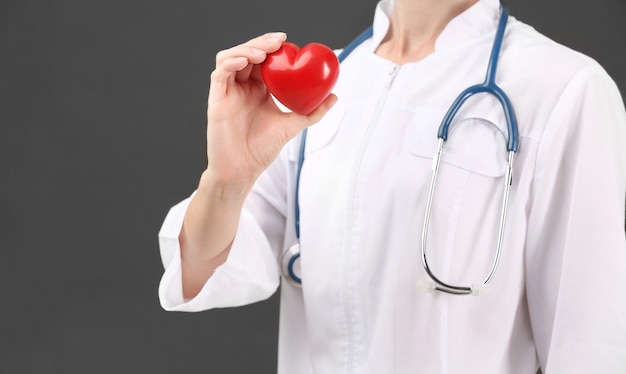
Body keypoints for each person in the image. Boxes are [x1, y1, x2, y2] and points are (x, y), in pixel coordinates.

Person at [157, 0, 626, 372]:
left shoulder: (563, 90)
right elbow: (206, 269)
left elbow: (589, 347)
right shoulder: (321, 87)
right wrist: (226, 179)